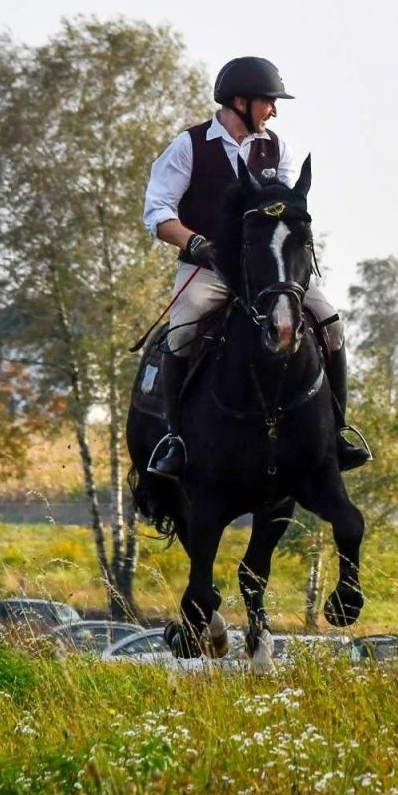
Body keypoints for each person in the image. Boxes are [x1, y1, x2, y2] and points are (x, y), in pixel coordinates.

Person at [140, 56, 371, 479]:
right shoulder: (189, 146)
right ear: (240, 101)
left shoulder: (276, 147)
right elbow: (157, 212)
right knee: (183, 331)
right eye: (269, 101)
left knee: (331, 325)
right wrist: (195, 242)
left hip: (269, 275)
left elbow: (286, 206)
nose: (275, 110)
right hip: (209, 271)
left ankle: (338, 432)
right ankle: (175, 437)